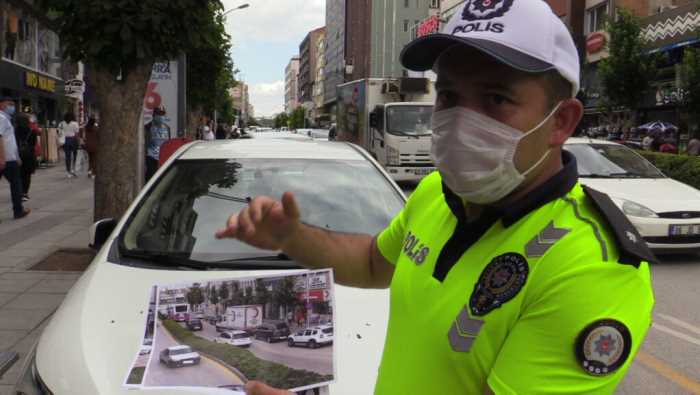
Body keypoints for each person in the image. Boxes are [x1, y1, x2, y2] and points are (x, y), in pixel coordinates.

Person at [219, 2, 656, 395]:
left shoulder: (592, 269)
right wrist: (293, 237)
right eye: (448, 96)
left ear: (560, 121)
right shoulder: (437, 193)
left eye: (496, 98)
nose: (462, 120)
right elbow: (374, 262)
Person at [0, 96, 30, 219]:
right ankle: (18, 210)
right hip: (6, 159)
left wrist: (17, 156)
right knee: (16, 184)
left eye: (13, 104)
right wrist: (2, 158)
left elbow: (10, 141)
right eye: (9, 104)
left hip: (10, 158)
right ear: (1, 105)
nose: (12, 107)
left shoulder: (7, 119)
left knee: (16, 183)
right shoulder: (1, 118)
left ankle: (18, 210)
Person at [15, 111, 38, 201]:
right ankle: (25, 193)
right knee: (27, 175)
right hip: (29, 156)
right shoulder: (32, 131)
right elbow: (34, 143)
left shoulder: (15, 131)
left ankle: (19, 192)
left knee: (18, 175)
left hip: (17, 154)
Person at [144, 106, 171, 181]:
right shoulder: (148, 127)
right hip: (151, 157)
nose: (161, 116)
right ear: (154, 115)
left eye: (162, 114)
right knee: (151, 179)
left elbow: (168, 143)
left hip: (163, 157)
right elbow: (144, 143)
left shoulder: (167, 128)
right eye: (159, 114)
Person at [62, 112, 80, 178]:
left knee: (67, 156)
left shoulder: (62, 123)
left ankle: (68, 172)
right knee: (75, 155)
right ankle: (73, 169)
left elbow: (59, 132)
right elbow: (77, 133)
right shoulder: (75, 123)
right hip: (73, 139)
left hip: (65, 140)